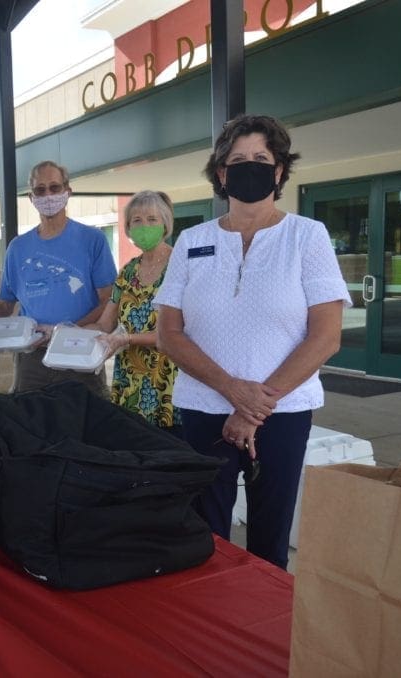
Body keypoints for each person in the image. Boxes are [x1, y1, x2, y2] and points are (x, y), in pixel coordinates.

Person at [154, 114, 350, 569]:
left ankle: (264, 635)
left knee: (270, 537)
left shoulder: (307, 236)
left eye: (261, 158)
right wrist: (232, 390)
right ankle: (210, 628)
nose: (249, 167)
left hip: (282, 414)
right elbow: (169, 333)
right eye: (236, 159)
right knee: (205, 536)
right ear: (221, 174)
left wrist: (253, 407)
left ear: (279, 171)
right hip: (204, 411)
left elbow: (326, 336)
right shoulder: (192, 241)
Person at [0, 160, 118, 396]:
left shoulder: (92, 240)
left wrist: (65, 332)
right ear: (31, 197)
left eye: (54, 188)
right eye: (40, 190)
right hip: (32, 359)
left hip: (79, 350)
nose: (48, 195)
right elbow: (6, 303)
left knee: (90, 426)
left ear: (68, 191)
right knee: (30, 426)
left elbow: (108, 300)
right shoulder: (18, 248)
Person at [92, 190, 181, 433]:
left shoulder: (181, 266)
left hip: (168, 386)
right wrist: (61, 333)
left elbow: (178, 331)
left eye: (152, 219)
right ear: (128, 228)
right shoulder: (127, 272)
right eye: (137, 221)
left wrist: (126, 338)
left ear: (165, 224)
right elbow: (104, 325)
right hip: (129, 385)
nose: (144, 226)